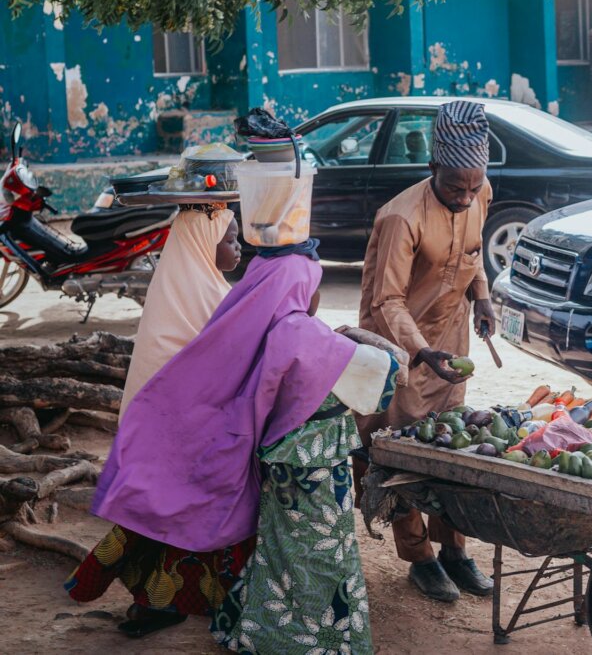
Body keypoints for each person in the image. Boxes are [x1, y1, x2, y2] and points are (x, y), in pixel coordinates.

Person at [69, 242, 403, 651]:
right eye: (314, 285)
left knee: (279, 551)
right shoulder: (308, 335)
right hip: (315, 469)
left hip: (275, 464)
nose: (316, 295)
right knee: (322, 555)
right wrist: (356, 338)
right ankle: (314, 640)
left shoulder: (251, 329)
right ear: (298, 288)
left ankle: (256, 628)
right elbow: (386, 380)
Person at [355, 100, 496, 603]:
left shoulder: (479, 192)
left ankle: (455, 550)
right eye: (454, 186)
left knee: (451, 447)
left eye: (473, 187)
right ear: (432, 167)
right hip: (398, 350)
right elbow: (386, 300)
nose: (464, 197)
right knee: (399, 454)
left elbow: (473, 252)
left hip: (450, 340)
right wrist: (419, 352)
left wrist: (482, 299)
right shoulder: (400, 217)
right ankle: (419, 557)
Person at [119, 207, 241, 420]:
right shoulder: (213, 294)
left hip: (148, 417)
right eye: (230, 241)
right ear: (202, 244)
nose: (238, 247)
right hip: (185, 413)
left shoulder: (167, 284)